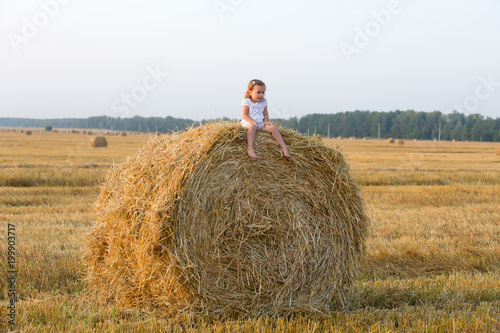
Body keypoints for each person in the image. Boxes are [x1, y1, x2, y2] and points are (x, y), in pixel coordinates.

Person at [240, 79, 291, 159]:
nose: (261, 95)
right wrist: (253, 122)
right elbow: (245, 115)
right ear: (250, 92)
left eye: (263, 92)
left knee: (272, 127)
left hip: (260, 123)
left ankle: (283, 147)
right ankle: (250, 148)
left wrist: (266, 122)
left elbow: (265, 114)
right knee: (252, 127)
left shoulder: (264, 102)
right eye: (258, 92)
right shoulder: (247, 102)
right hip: (249, 123)